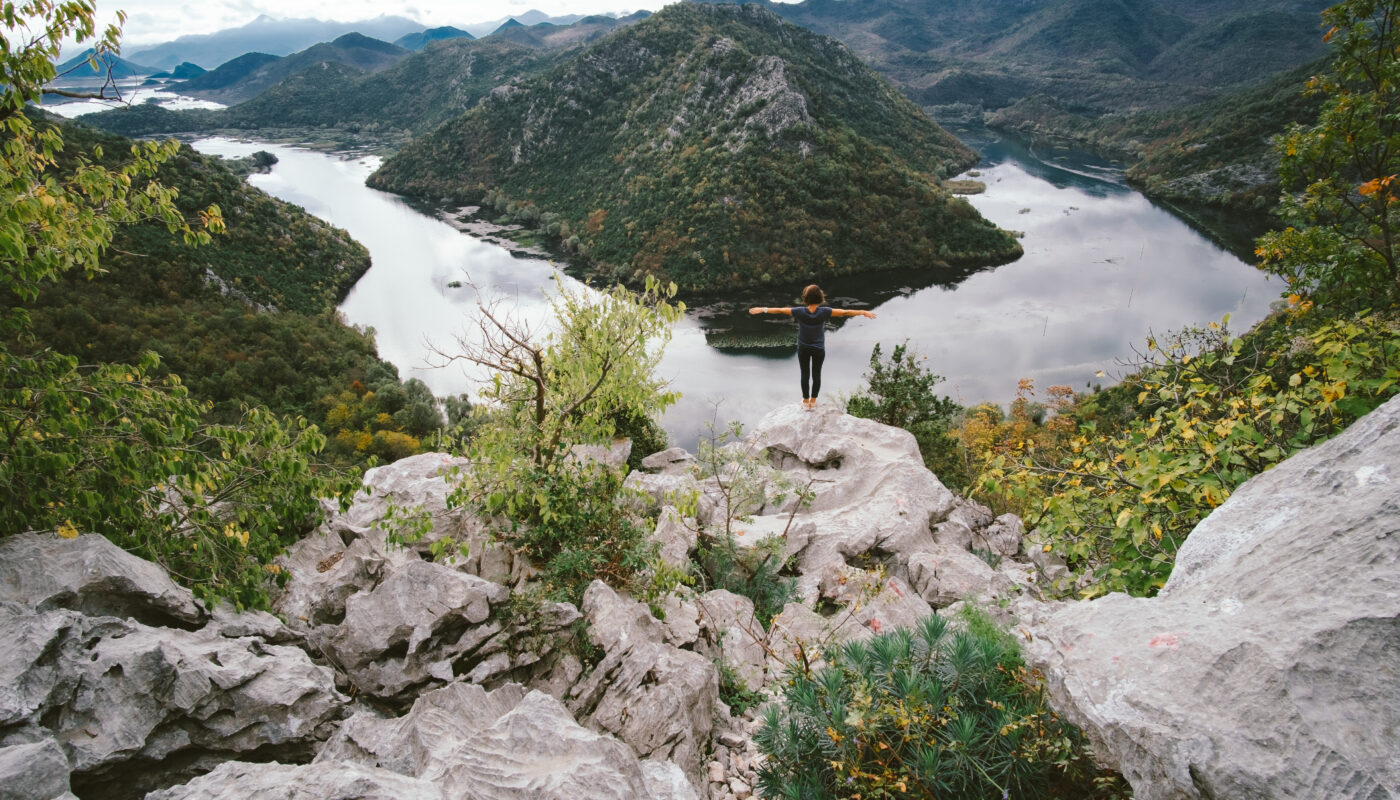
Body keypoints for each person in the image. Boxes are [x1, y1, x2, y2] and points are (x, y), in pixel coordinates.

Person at [749, 284, 876, 410]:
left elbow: (780, 310)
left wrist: (763, 309)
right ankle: (813, 402)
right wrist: (863, 312)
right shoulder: (825, 312)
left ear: (805, 298)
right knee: (816, 374)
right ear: (820, 297)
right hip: (818, 349)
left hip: (803, 347)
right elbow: (845, 312)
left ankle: (805, 402)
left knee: (805, 374)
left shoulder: (799, 311)